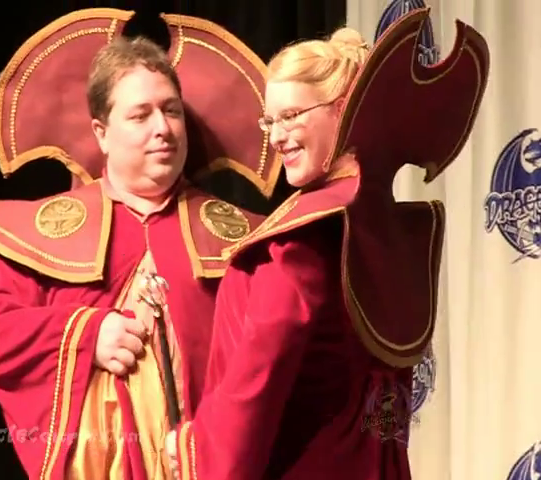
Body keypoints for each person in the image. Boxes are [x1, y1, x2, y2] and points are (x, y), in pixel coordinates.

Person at [166, 7, 489, 480]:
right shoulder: (389, 229)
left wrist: (196, 449)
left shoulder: (302, 238)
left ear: (342, 108)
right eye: (269, 121)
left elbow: (256, 383)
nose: (277, 137)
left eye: (291, 116)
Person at [0, 8, 283, 480]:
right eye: (140, 115)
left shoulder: (241, 239)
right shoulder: (46, 233)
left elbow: (270, 363)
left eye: (171, 110)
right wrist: (85, 335)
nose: (163, 128)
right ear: (102, 133)